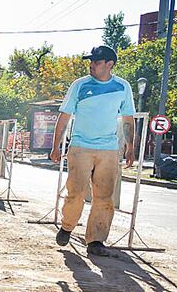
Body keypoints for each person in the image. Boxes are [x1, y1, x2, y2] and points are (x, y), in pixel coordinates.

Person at [51, 45, 135, 257]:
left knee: (104, 197)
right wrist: (56, 145)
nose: (91, 65)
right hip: (80, 147)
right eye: (91, 61)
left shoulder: (122, 87)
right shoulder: (80, 85)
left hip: (108, 149)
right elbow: (64, 116)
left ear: (109, 64)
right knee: (75, 192)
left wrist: (130, 147)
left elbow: (127, 119)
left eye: (96, 62)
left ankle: (96, 240)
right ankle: (67, 226)